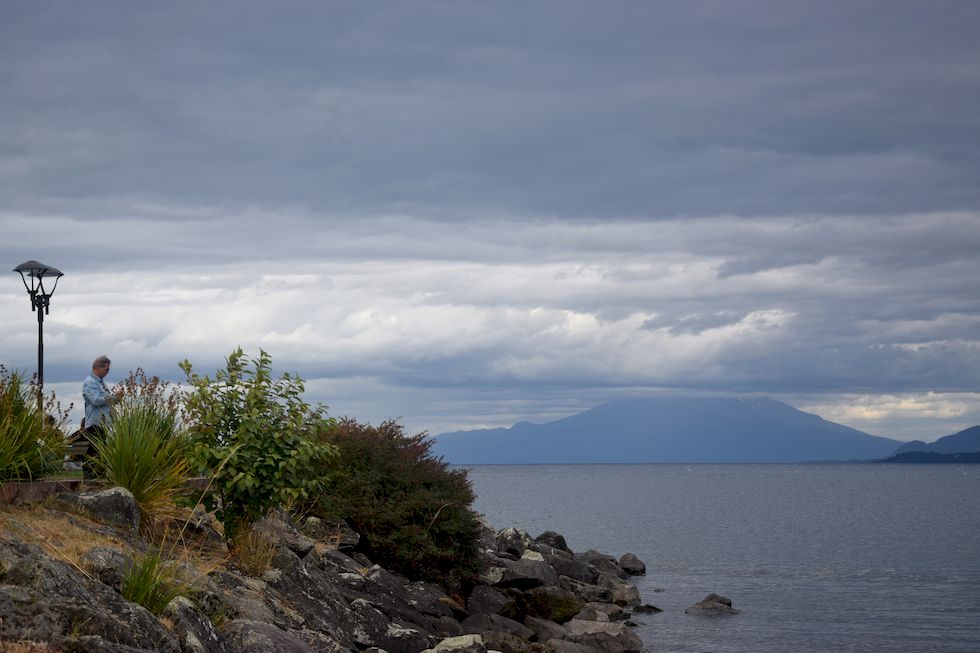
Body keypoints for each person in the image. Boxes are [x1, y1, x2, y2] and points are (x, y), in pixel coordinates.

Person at [80, 355, 114, 477]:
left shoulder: (99, 383)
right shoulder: (90, 382)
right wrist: (113, 398)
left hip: (102, 424)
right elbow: (95, 400)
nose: (107, 372)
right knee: (93, 455)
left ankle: (98, 478)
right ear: (98, 367)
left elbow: (104, 401)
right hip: (95, 424)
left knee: (99, 454)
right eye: (107, 369)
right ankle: (91, 481)